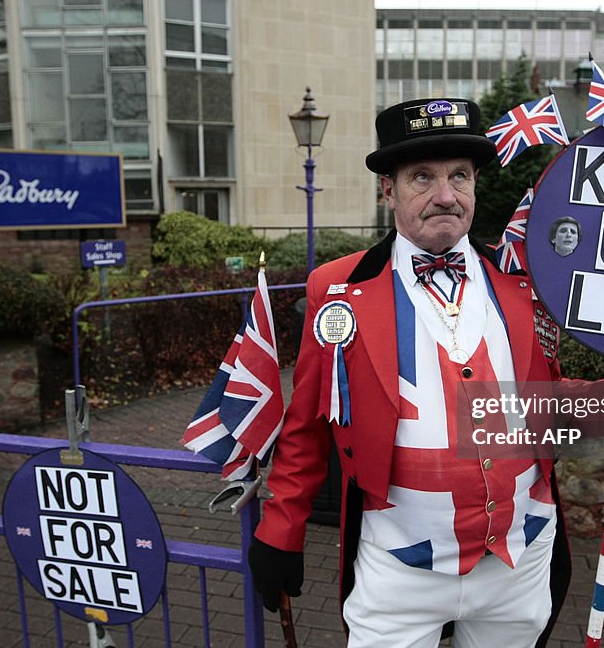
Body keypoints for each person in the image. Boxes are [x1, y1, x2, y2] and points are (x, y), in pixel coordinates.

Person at [249, 98, 585, 647]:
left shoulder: (526, 282)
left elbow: (542, 407)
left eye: (459, 176)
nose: (445, 196)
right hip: (398, 571)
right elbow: (307, 426)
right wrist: (281, 530)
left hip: (519, 563)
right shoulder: (337, 289)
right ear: (389, 190)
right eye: (422, 178)